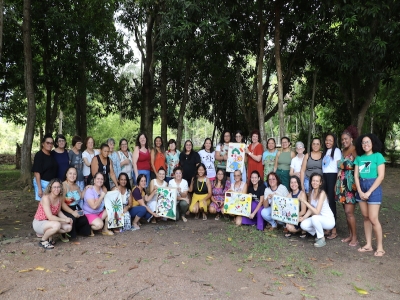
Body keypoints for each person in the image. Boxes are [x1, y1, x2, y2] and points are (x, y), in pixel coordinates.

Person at [354, 134, 386, 257]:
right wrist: (361, 191)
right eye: (363, 142)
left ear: (372, 143)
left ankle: (380, 247)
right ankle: (368, 245)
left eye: (367, 142)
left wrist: (369, 192)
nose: (365, 144)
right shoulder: (359, 158)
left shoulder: (378, 156)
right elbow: (356, 175)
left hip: (374, 187)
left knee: (373, 218)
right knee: (366, 217)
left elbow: (381, 176)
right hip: (361, 187)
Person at [33, 179, 72, 249]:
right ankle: (43, 241)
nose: (56, 189)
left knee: (68, 227)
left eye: (58, 187)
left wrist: (67, 219)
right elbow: (50, 217)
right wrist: (64, 220)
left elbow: (58, 212)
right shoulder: (46, 198)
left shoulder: (59, 198)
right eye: (54, 187)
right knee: (57, 225)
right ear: (50, 188)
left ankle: (49, 237)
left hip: (50, 222)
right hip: (39, 222)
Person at [335, 126, 358, 247]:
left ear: (351, 139)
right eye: (342, 140)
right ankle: (350, 235)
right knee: (346, 212)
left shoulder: (355, 150)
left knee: (349, 212)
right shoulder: (343, 151)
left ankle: (355, 237)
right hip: (342, 185)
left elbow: (359, 167)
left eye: (346, 139)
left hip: (350, 185)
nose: (344, 141)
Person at [299, 173, 335, 248]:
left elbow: (316, 212)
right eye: (313, 181)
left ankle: (321, 238)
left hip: (328, 221)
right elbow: (311, 209)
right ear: (311, 182)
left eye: (317, 181)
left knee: (315, 217)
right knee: (303, 225)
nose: (315, 183)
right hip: (319, 219)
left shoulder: (322, 193)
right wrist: (304, 217)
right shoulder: (312, 192)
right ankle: (319, 233)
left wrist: (304, 201)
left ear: (320, 183)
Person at [61, 167, 91, 240]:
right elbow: (62, 203)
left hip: (75, 207)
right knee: (73, 218)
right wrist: (72, 212)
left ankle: (77, 231)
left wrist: (86, 188)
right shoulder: (63, 185)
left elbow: (80, 196)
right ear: (66, 174)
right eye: (70, 173)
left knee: (83, 219)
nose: (72, 175)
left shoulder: (76, 185)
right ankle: (66, 234)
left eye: (74, 174)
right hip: (66, 209)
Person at [322, 133, 342, 239]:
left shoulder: (337, 151)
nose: (328, 142)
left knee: (331, 203)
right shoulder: (325, 152)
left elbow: (339, 167)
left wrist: (336, 183)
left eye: (330, 140)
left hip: (332, 176)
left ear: (334, 141)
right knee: (325, 201)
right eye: (326, 140)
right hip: (324, 176)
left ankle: (334, 229)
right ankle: (328, 226)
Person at [32, 134, 58, 201]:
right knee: (43, 205)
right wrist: (39, 189)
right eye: (47, 143)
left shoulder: (51, 154)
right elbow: (37, 172)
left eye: (51, 143)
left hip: (50, 184)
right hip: (42, 183)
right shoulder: (39, 155)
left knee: (50, 204)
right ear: (43, 144)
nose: (50, 144)